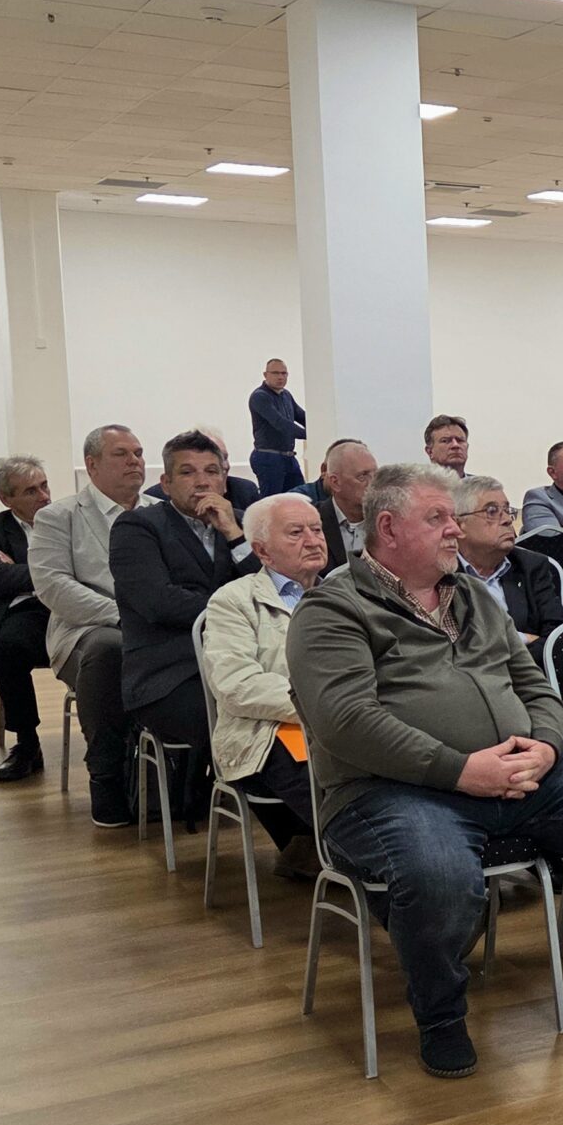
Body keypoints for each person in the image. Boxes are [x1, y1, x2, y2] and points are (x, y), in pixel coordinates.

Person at [287, 463, 563, 1074]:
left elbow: (535, 685)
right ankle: (441, 1017)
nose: (455, 530)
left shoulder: (471, 595)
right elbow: (347, 721)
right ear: (387, 528)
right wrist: (459, 770)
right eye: (438, 518)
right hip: (388, 792)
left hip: (516, 777)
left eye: (453, 517)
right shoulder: (333, 609)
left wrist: (546, 747)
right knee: (440, 871)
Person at [113, 430, 262, 819]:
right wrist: (237, 611)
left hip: (242, 662)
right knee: (245, 721)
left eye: (212, 471)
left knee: (278, 711)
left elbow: (268, 592)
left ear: (224, 480)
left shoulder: (240, 524)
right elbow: (158, 602)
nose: (202, 482)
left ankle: (294, 826)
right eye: (187, 472)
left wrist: (234, 535)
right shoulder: (137, 527)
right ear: (165, 483)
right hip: (169, 672)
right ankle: (287, 826)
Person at [201, 493, 327, 878]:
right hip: (266, 728)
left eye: (317, 529)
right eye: (296, 533)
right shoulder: (233, 601)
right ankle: (376, 863)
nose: (313, 540)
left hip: (344, 721)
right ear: (262, 551)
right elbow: (237, 684)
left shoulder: (346, 594)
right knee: (330, 782)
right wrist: (321, 706)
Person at [31, 423, 149, 826]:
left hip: (157, 628)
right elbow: (53, 585)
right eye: (121, 454)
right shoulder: (58, 517)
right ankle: (106, 776)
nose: (134, 461)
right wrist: (123, 616)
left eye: (138, 453)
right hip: (86, 632)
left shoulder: (159, 512)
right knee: (108, 650)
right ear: (92, 464)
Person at [0, 455, 53, 783]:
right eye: (31, 491)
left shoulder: (68, 518)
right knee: (8, 646)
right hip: (27, 609)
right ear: (6, 499)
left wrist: (20, 571)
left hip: (71, 605)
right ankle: (27, 743)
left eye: (45, 485)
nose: (44, 496)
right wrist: (55, 572)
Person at [454, 476, 563, 643]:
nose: (507, 520)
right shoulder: (441, 572)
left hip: (529, 660)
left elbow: (560, 638)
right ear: (459, 525)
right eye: (491, 511)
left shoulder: (530, 566)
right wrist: (522, 638)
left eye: (507, 510)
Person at [310, 438, 374, 573]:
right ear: (335, 483)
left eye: (376, 475)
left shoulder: (389, 523)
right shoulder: (311, 522)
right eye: (363, 476)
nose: (373, 484)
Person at [246, 359, 307, 497]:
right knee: (272, 502)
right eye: (275, 373)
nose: (280, 377)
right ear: (265, 375)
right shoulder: (259, 397)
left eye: (284, 373)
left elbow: (301, 416)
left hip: (288, 458)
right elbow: (280, 423)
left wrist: (320, 428)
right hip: (269, 458)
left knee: (300, 498)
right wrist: (309, 435)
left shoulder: (286, 395)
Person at [424, 414, 471, 479]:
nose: (455, 445)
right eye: (445, 441)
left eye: (460, 440)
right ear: (430, 452)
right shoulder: (418, 484)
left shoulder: (481, 485)